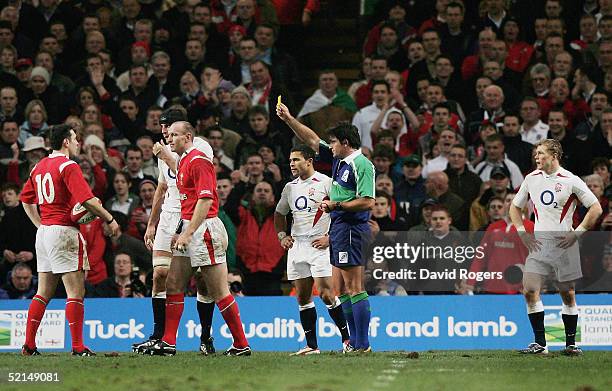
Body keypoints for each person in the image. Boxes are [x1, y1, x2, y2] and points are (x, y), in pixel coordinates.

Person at [144, 121, 250, 357]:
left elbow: (205, 201)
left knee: (218, 290)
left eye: (174, 135)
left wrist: (189, 232)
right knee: (173, 283)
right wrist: (181, 229)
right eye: (168, 135)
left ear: (188, 136)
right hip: (188, 226)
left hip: (205, 229)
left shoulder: (199, 160)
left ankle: (241, 344)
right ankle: (169, 342)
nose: (169, 139)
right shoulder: (181, 162)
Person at [277, 102, 375, 353]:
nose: (328, 147)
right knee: (341, 288)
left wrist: (336, 205)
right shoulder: (340, 161)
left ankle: (362, 344)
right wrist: (289, 119)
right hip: (341, 228)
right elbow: (311, 139)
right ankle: (352, 342)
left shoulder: (361, 164)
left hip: (352, 228)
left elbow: (367, 201)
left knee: (354, 287)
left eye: (332, 143)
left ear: (344, 142)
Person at [19, 124, 119, 356]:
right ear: (65, 141)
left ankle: (29, 344)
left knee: (43, 292)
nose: (77, 143)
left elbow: (25, 200)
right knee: (75, 292)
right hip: (64, 232)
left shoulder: (38, 167)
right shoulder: (68, 165)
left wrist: (40, 224)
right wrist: (109, 219)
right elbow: (88, 200)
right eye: (75, 139)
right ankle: (77, 347)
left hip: (44, 233)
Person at [132, 109, 217, 356]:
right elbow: (162, 186)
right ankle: (159, 336)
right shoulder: (165, 148)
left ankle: (205, 336)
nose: (163, 132)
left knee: (202, 279)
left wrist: (167, 155)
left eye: (167, 127)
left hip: (192, 216)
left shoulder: (201, 147)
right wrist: (151, 222)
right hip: (169, 215)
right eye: (162, 128)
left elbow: (186, 173)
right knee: (159, 273)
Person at [510, 139, 603, 356]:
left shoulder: (571, 180)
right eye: (536, 153)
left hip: (563, 245)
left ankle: (570, 344)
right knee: (530, 290)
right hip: (539, 245)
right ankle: (540, 344)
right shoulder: (531, 179)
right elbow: (515, 208)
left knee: (567, 294)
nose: (536, 157)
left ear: (554, 155)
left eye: (541, 153)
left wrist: (576, 234)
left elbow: (596, 208)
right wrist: (522, 233)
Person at [274, 145, 350, 355]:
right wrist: (282, 236)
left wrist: (330, 238)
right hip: (298, 246)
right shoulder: (290, 187)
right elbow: (279, 214)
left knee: (326, 294)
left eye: (296, 160)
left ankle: (346, 340)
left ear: (309, 161)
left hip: (319, 245)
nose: (292, 164)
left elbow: (342, 213)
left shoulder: (326, 183)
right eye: (290, 160)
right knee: (303, 298)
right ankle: (312, 346)